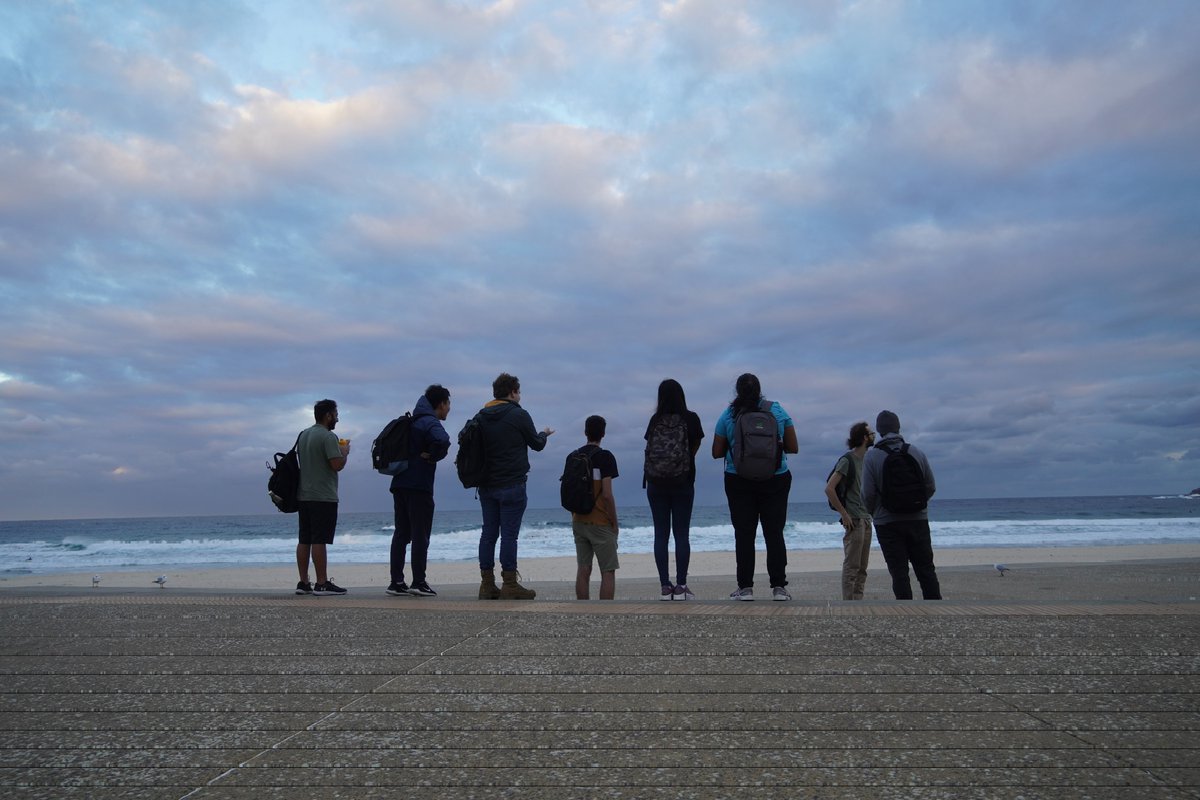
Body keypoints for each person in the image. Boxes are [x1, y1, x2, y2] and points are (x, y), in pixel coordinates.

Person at [711, 373, 799, 601]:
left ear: (737, 391)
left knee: (744, 534)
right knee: (774, 533)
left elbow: (716, 452)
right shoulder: (777, 410)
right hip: (776, 478)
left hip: (738, 479)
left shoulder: (728, 414)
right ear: (760, 390)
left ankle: (745, 588)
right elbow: (793, 446)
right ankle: (779, 588)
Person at [475, 373, 554, 600]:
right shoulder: (518, 414)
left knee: (488, 534)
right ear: (512, 392)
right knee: (509, 535)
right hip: (511, 484)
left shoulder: (481, 416)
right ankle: (509, 583)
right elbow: (537, 444)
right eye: (518, 391)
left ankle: (487, 584)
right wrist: (544, 434)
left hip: (486, 485)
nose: (520, 395)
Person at [862, 410, 941, 600]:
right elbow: (930, 486)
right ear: (898, 428)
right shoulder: (916, 451)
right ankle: (937, 611)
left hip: (887, 522)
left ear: (879, 431)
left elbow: (868, 494)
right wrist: (917, 505)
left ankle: (906, 614)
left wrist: (876, 512)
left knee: (899, 573)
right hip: (918, 519)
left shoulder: (872, 457)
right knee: (926, 570)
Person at [387, 385, 451, 598]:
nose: (449, 409)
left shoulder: (412, 420)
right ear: (441, 404)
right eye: (448, 404)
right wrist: (433, 456)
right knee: (420, 534)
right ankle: (418, 582)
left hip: (400, 483)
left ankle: (396, 581)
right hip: (418, 485)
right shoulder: (429, 421)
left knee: (401, 533)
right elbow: (443, 440)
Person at [643, 378, 704, 601]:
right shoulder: (690, 418)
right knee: (681, 534)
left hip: (656, 483)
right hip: (683, 482)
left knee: (661, 535)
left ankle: (664, 586)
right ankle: (681, 586)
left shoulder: (655, 419)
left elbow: (649, 447)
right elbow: (695, 445)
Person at [296, 398, 349, 596]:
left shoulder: (304, 435)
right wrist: (344, 452)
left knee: (304, 538)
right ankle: (321, 582)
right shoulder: (328, 437)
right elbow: (337, 465)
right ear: (328, 415)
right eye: (335, 414)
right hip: (323, 495)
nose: (337, 418)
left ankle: (303, 582)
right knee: (320, 539)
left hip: (304, 494)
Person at [569, 415, 620, 600]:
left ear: (585, 432)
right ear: (603, 434)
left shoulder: (574, 456)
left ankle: (583, 608)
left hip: (578, 519)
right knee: (608, 570)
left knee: (583, 568)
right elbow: (606, 495)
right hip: (599, 522)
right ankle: (604, 611)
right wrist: (614, 522)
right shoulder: (605, 457)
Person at [824, 421, 875, 600]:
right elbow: (829, 488)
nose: (874, 436)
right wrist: (844, 514)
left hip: (866, 518)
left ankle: (858, 602)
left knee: (862, 568)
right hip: (854, 519)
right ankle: (848, 604)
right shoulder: (848, 460)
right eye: (871, 433)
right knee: (852, 566)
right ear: (863, 438)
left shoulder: (868, 460)